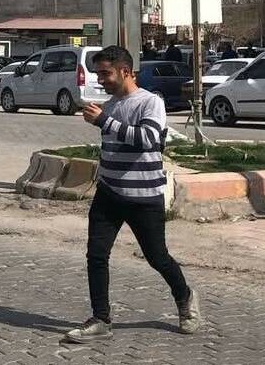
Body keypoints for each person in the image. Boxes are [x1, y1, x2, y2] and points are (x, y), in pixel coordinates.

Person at [63, 45, 201, 344]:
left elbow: (148, 140)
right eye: (99, 73)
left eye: (106, 73)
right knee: (96, 255)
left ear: (126, 71)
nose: (101, 79)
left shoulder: (150, 102)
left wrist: (103, 121)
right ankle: (101, 319)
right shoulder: (110, 105)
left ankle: (186, 298)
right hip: (109, 195)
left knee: (157, 257)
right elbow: (114, 143)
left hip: (143, 197)